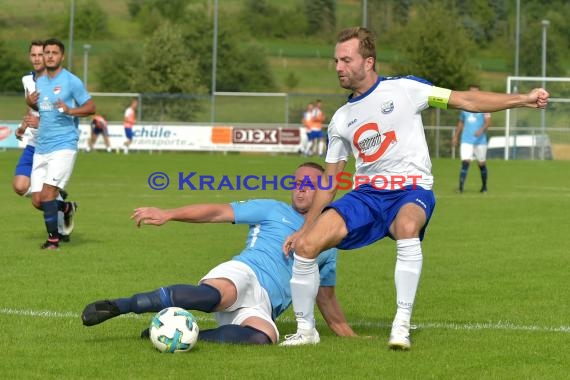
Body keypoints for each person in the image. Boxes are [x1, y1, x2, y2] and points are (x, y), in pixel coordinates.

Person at [280, 27, 549, 349]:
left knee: (407, 225)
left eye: (346, 60)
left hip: (411, 190)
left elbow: (466, 100)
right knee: (307, 246)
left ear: (368, 62)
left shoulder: (407, 89)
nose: (338, 67)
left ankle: (401, 324)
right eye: (336, 60)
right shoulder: (340, 119)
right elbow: (329, 180)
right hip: (367, 195)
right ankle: (305, 331)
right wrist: (304, 228)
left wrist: (522, 99)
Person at [81, 162, 356, 345]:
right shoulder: (272, 209)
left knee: (263, 338)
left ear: (325, 191)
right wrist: (169, 214)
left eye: (309, 184)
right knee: (215, 295)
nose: (300, 188)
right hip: (246, 275)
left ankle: (186, 336)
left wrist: (350, 337)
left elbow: (327, 300)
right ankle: (121, 305)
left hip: (262, 306)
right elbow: (218, 212)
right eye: (296, 182)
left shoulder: (327, 243)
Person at [26, 38, 96, 250]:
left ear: (62, 56)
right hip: (42, 147)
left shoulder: (71, 81)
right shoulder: (40, 82)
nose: (49, 56)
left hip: (64, 145)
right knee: (38, 200)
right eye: (46, 52)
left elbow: (91, 107)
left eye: (54, 52)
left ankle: (53, 241)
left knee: (47, 195)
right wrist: (31, 104)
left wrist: (71, 110)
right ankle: (66, 208)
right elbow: (43, 109)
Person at [14, 40, 69, 240]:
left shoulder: (58, 82)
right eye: (34, 55)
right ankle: (61, 202)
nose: (37, 59)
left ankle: (60, 227)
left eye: (41, 55)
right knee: (20, 186)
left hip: (53, 145)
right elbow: (30, 109)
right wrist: (23, 126)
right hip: (33, 144)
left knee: (39, 201)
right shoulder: (26, 80)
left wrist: (42, 122)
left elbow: (63, 113)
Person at [451, 85, 491, 193]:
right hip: (466, 139)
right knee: (465, 162)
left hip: (480, 141)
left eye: (476, 92)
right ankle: (461, 188)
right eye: (471, 92)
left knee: (481, 163)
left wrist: (481, 130)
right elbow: (461, 123)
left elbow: (488, 122)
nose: (474, 94)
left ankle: (484, 187)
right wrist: (455, 136)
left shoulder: (485, 106)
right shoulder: (464, 107)